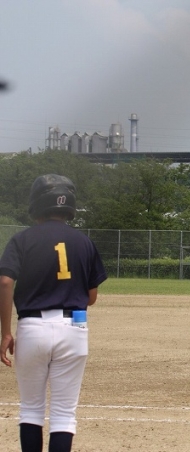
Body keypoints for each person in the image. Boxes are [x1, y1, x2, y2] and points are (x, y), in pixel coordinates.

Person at [0, 174, 108, 452]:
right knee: (63, 413)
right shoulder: (84, 242)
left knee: (31, 409)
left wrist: (6, 333)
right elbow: (91, 297)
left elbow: (5, 281)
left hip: (32, 327)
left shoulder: (22, 239)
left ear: (36, 203)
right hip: (74, 326)